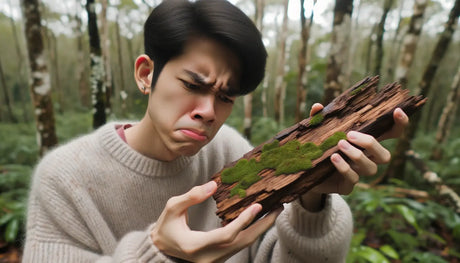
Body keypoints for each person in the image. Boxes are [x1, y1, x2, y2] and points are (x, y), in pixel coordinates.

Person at [22, 0, 409, 262]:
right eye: (193, 85)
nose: (208, 112)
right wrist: (158, 252)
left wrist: (311, 199)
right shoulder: (65, 177)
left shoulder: (228, 151)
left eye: (226, 97)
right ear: (146, 74)